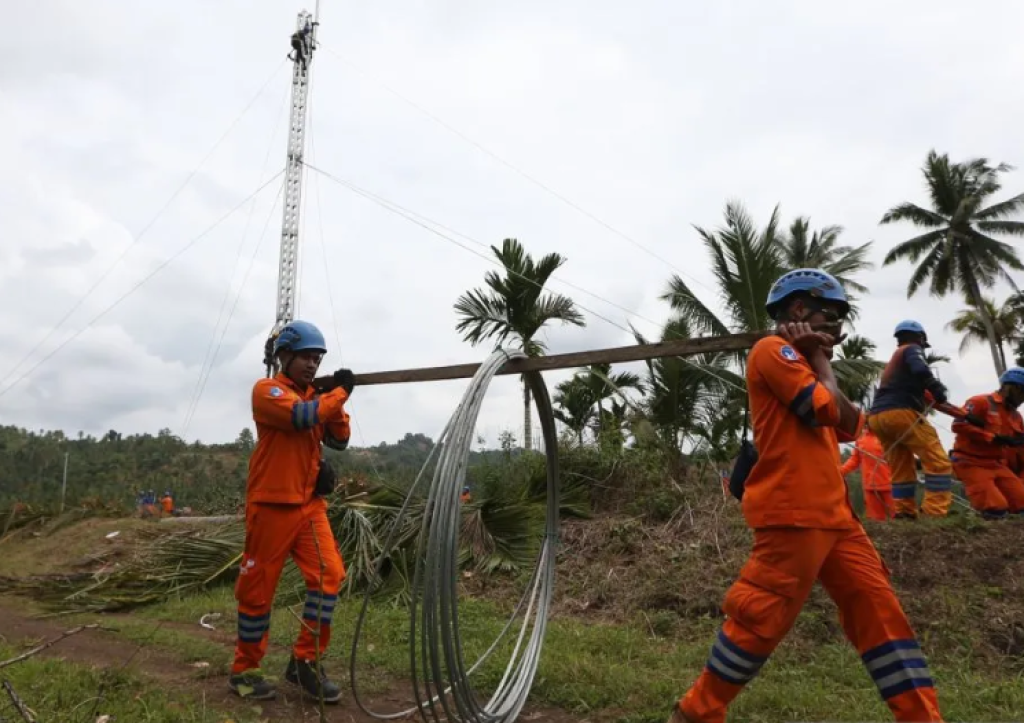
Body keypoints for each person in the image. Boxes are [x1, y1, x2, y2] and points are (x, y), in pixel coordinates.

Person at [668, 269, 942, 723]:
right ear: (799, 309)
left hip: (838, 518)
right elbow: (823, 410)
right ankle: (696, 712)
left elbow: (852, 424)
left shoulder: (808, 364)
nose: (835, 327)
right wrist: (817, 357)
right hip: (794, 512)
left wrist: (819, 360)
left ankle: (923, 718)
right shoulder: (772, 351)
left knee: (881, 614)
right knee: (760, 618)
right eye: (829, 316)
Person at [229, 320, 355, 703]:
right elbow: (301, 417)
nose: (312, 364)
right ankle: (245, 671)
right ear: (284, 356)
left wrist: (332, 398)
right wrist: (339, 393)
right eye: (305, 357)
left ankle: (305, 662)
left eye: (317, 358)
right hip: (271, 506)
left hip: (309, 507)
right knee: (257, 592)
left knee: (329, 576)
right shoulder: (267, 391)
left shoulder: (316, 398)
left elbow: (340, 439)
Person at [867, 321, 953, 519]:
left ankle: (904, 511)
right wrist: (935, 386)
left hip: (878, 417)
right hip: (901, 413)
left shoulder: (895, 362)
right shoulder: (911, 349)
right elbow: (920, 368)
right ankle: (934, 512)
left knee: (901, 468)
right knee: (938, 462)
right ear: (920, 338)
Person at [950, 367, 1024, 519]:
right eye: (1022, 391)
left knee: (1021, 503)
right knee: (995, 507)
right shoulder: (980, 402)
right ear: (1008, 387)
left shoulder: (1016, 416)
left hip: (997, 464)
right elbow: (958, 425)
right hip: (971, 462)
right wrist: (992, 437)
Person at [840, 427, 895, 521]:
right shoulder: (861, 438)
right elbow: (855, 460)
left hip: (891, 486)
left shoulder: (889, 435)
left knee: (898, 518)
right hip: (870, 487)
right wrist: (840, 472)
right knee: (875, 520)